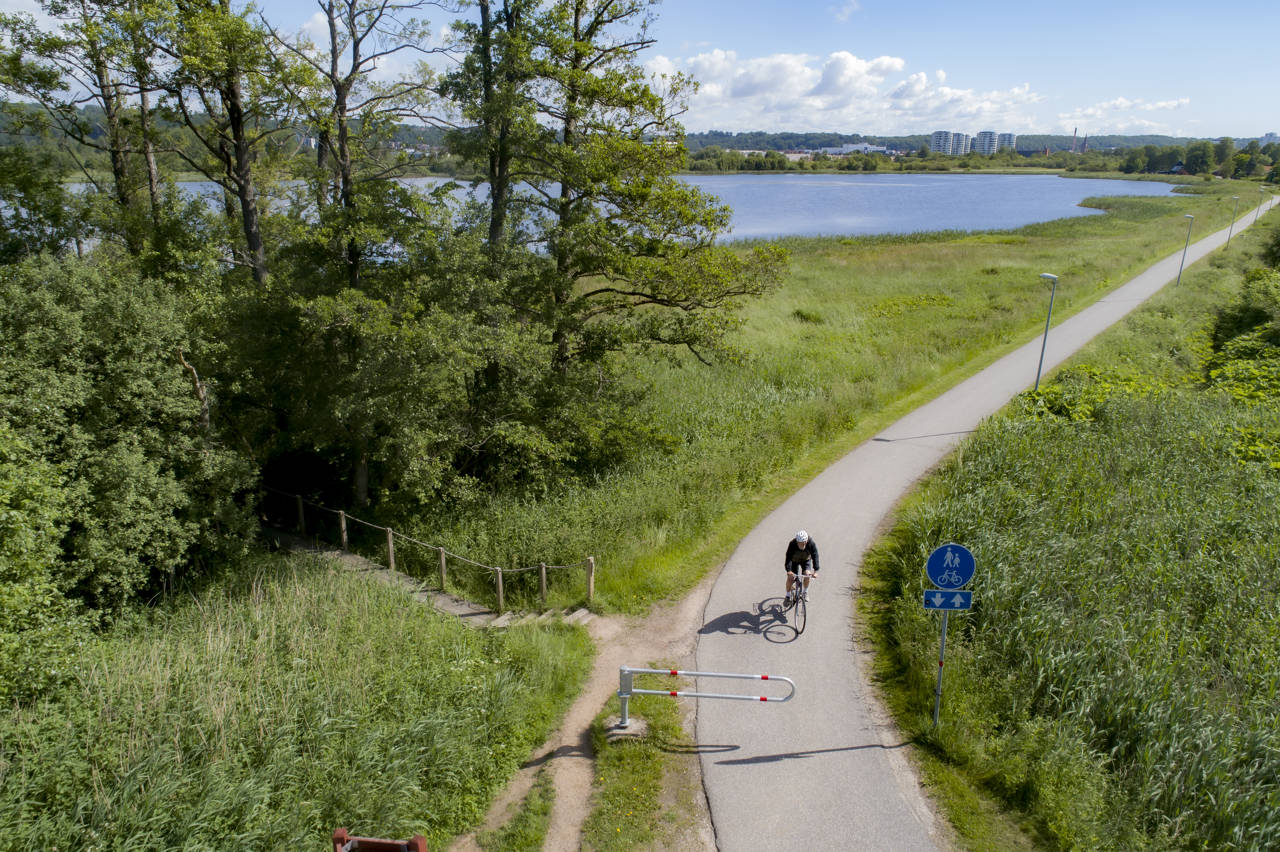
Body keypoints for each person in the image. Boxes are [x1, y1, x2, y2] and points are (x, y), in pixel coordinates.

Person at [783, 529, 819, 603]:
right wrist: (789, 570)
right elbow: (788, 557)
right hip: (794, 561)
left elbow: (815, 556)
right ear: (797, 541)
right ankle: (787, 595)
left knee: (807, 575)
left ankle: (805, 592)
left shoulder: (811, 544)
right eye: (799, 543)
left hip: (806, 560)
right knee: (790, 578)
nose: (801, 545)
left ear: (806, 541)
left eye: (803, 543)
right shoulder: (792, 544)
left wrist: (815, 571)